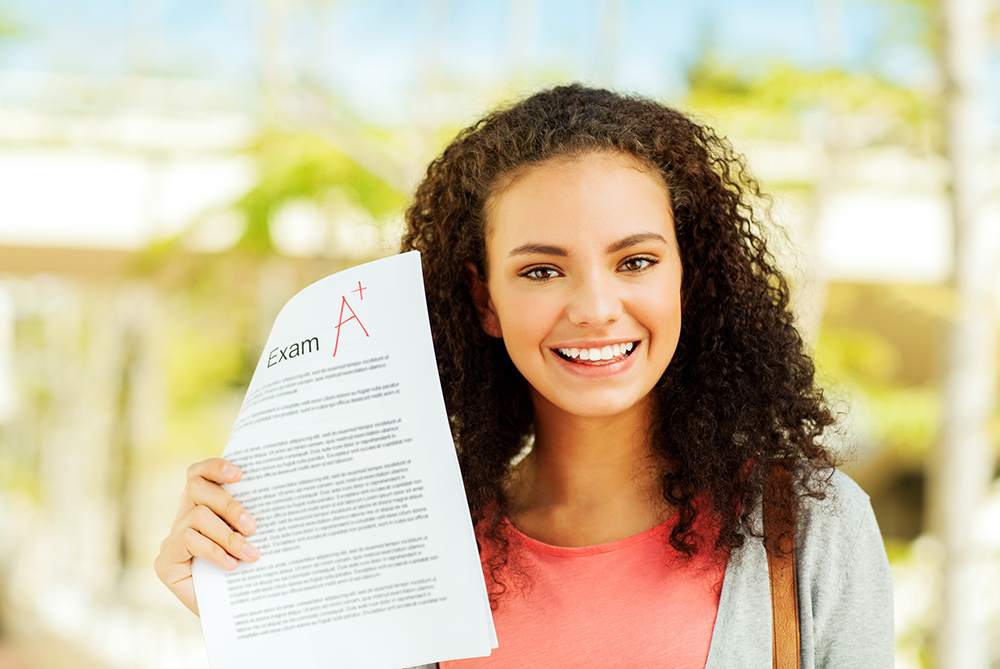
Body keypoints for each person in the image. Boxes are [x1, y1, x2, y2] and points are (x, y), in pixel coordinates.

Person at [155, 84, 894, 668]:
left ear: (685, 278)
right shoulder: (418, 547)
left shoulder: (809, 528)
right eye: (542, 270)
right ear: (486, 302)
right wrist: (251, 618)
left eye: (635, 261)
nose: (596, 308)